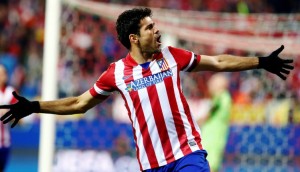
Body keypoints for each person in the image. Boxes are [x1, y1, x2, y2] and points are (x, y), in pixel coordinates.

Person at [0, 8, 294, 172]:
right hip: (151, 165)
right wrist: (35, 106)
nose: (157, 30)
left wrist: (260, 61)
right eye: (149, 27)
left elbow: (217, 61)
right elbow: (79, 103)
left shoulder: (171, 55)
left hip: (187, 156)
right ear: (134, 38)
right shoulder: (116, 73)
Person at [198, 73, 232, 172]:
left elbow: (209, 112)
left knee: (210, 166)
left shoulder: (223, 96)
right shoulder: (221, 99)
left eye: (212, 83)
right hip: (209, 139)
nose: (209, 85)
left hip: (213, 140)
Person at [0, 64, 17, 172]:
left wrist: (10, 113)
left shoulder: (10, 92)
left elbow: (19, 113)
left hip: (5, 142)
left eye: (3, 73)